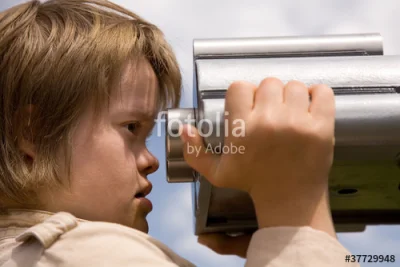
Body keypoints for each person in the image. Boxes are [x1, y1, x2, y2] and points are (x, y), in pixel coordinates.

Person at [0, 0, 359, 266]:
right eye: (131, 128)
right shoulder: (93, 253)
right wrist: (294, 213)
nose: (152, 160)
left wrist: (274, 248)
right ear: (35, 132)